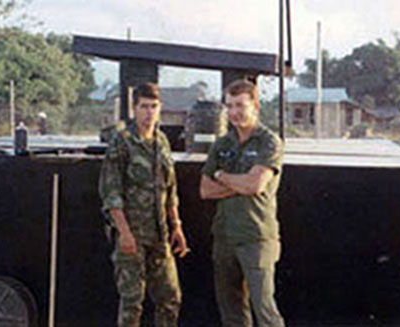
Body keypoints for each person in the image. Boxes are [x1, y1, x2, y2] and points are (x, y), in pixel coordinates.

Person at [99, 82, 189, 327]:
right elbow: (111, 193)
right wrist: (125, 234)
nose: (149, 112)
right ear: (134, 108)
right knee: (132, 302)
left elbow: (170, 190)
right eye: (144, 107)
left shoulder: (161, 142)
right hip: (132, 235)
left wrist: (176, 226)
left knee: (171, 298)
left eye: (154, 106)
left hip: (159, 235)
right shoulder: (122, 142)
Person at [199, 79, 285, 327]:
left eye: (240, 105)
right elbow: (205, 190)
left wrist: (222, 176)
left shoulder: (269, 142)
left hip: (256, 238)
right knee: (232, 312)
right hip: (225, 237)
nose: (234, 112)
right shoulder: (222, 144)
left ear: (255, 105)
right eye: (229, 106)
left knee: (265, 311)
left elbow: (254, 186)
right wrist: (240, 184)